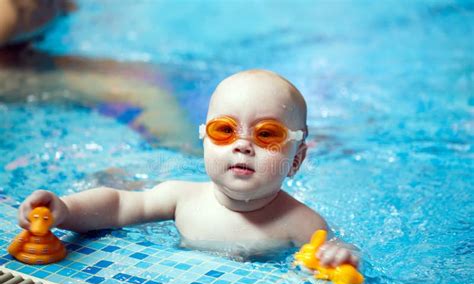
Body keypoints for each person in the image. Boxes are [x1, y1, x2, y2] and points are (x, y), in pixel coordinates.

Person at [18, 70, 360, 267]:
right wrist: (65, 210)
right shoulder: (182, 197)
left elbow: (338, 257)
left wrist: (341, 257)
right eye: (225, 130)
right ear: (205, 142)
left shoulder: (303, 224)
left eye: (266, 134)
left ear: (296, 160)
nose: (242, 145)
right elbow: (119, 205)